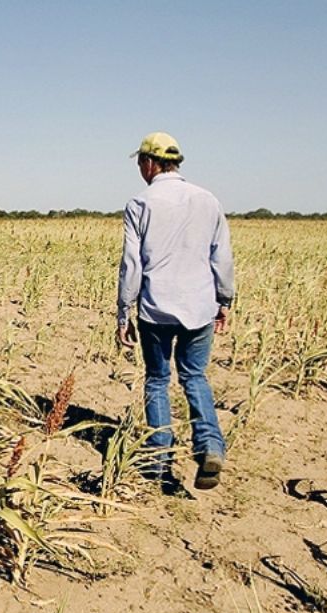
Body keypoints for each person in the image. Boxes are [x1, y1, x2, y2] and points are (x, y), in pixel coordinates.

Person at [116, 131, 235, 490]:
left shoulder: (139, 204)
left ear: (150, 163)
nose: (140, 169)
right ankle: (210, 446)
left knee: (157, 379)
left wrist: (124, 311)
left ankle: (158, 459)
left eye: (140, 162)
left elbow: (131, 265)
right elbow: (222, 257)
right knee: (194, 376)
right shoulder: (208, 200)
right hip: (200, 306)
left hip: (156, 309)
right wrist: (224, 300)